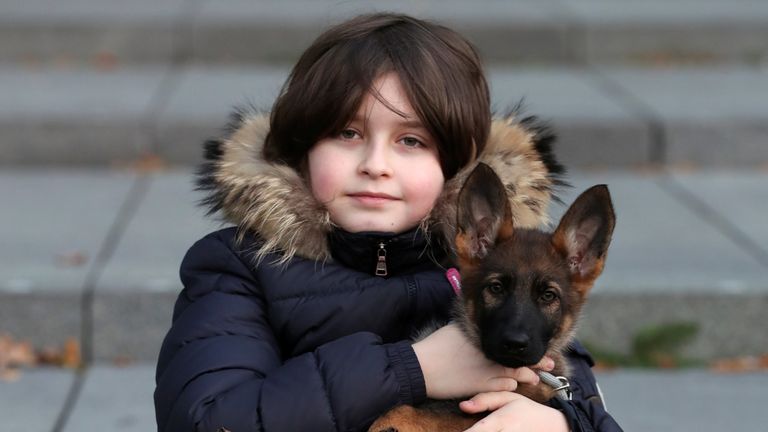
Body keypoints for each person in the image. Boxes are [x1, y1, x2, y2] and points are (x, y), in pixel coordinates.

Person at [154, 12, 622, 432]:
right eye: (348, 133)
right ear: (303, 148)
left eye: (411, 140)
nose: (376, 164)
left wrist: (557, 425)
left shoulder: (495, 269)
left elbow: (588, 411)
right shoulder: (239, 268)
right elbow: (206, 419)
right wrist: (411, 368)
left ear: (453, 166)